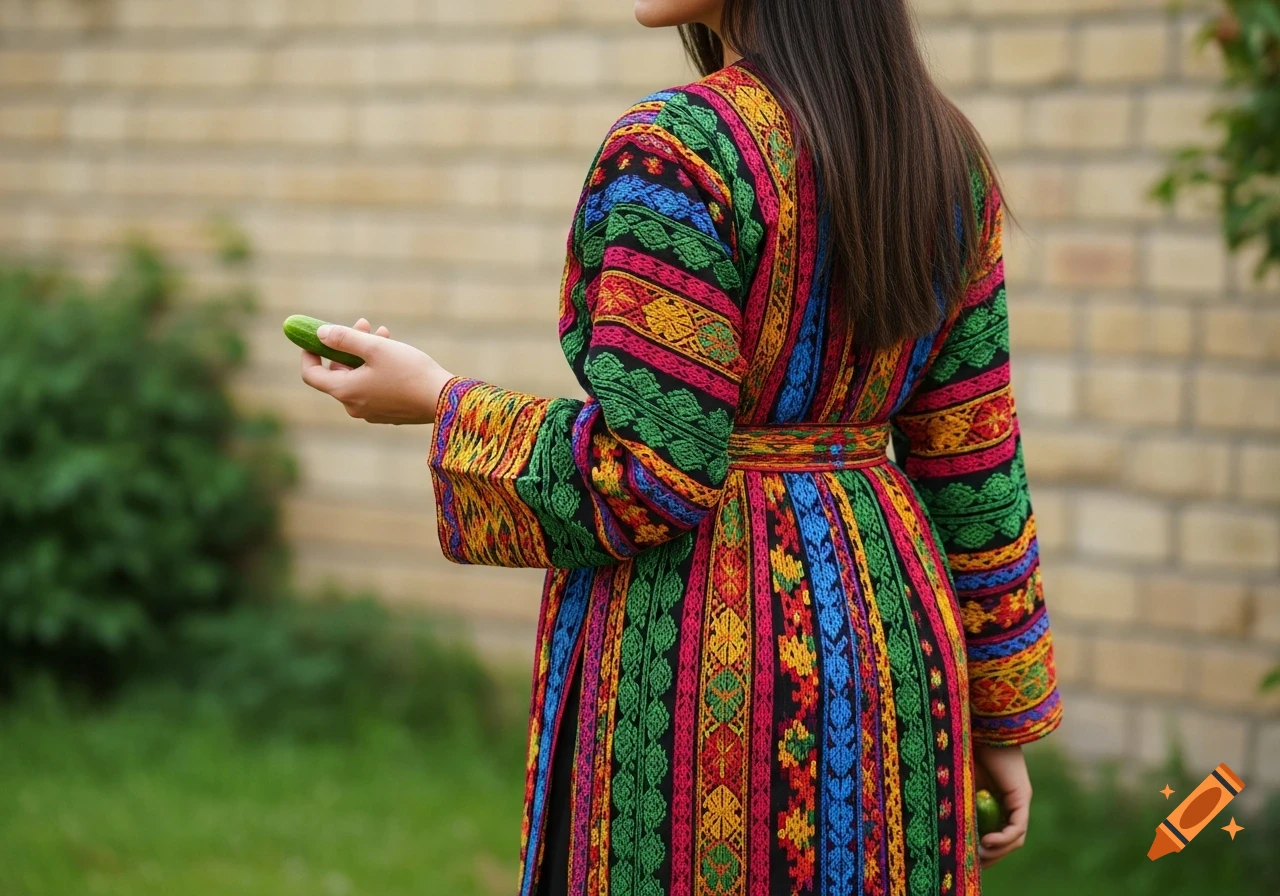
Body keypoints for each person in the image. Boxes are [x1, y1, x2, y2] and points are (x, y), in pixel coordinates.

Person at [296, 1, 1064, 893]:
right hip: (888, 639)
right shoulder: (943, 158)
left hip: (699, 657)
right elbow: (973, 462)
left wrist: (441, 401)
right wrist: (999, 713)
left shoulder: (679, 149)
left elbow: (653, 473)